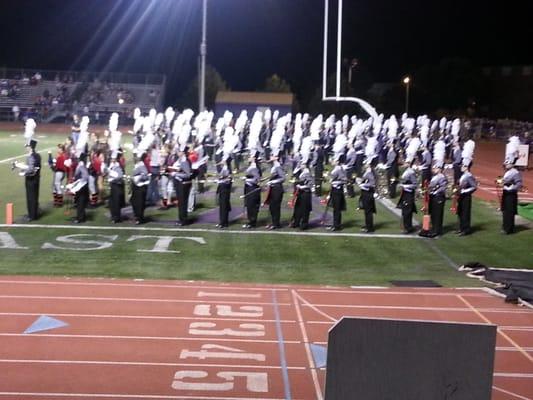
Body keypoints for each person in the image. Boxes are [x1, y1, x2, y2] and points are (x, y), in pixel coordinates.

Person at [500, 157, 523, 234]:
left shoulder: (515, 172)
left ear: (512, 164)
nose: (506, 164)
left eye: (507, 163)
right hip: (506, 193)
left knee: (509, 211)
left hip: (511, 195)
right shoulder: (508, 172)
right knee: (505, 210)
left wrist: (511, 188)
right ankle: (505, 227)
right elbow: (505, 181)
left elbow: (519, 184)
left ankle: (509, 229)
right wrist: (500, 182)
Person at [427, 161, 448, 237]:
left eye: (435, 167)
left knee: (437, 215)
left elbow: (443, 187)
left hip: (438, 197)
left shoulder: (442, 177)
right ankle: (434, 229)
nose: (433, 169)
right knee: (433, 214)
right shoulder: (435, 176)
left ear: (439, 169)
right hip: (433, 197)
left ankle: (437, 231)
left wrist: (434, 192)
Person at [290, 161, 313, 230]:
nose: (300, 165)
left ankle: (304, 224)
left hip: (305, 193)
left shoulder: (307, 172)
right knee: (297, 208)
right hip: (300, 192)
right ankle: (296, 222)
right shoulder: (301, 171)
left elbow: (310, 184)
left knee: (305, 209)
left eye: (302, 164)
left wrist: (302, 187)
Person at [397, 157, 417, 234]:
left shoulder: (411, 172)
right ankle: (407, 226)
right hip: (405, 193)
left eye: (405, 162)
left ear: (409, 164)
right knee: (405, 210)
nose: (404, 163)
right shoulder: (407, 171)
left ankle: (408, 228)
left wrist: (405, 186)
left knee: (407, 211)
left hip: (409, 194)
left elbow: (414, 185)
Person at [456, 161, 477, 236]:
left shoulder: (469, 176)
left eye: (462, 166)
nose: (461, 167)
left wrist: (464, 191)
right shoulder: (464, 175)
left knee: (465, 213)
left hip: (466, 197)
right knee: (460, 212)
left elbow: (474, 187)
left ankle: (466, 229)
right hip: (461, 196)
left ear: (466, 167)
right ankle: (461, 228)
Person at [22, 139, 41, 221]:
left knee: (31, 198)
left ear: (31, 147)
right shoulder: (37, 155)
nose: (26, 148)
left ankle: (32, 216)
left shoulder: (31, 156)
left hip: (31, 180)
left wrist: (23, 171)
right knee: (34, 197)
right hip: (36, 179)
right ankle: (33, 214)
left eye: (28, 146)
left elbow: (31, 169)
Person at [173, 147, 192, 226]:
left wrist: (176, 174)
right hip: (180, 183)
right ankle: (181, 219)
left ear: (183, 152)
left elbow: (188, 175)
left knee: (183, 202)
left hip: (183, 184)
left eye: (179, 151)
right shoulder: (181, 160)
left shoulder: (184, 161)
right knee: (181, 202)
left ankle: (183, 220)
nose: (178, 152)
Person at [265, 154, 285, 230]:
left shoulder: (278, 166)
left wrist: (272, 182)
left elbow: (283, 178)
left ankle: (276, 224)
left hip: (277, 189)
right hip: (273, 189)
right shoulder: (274, 166)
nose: (270, 157)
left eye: (272, 156)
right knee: (272, 207)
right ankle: (273, 223)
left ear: (276, 157)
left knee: (275, 207)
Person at [327, 155, 347, 231]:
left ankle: (337, 225)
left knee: (337, 208)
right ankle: (335, 224)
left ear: (337, 162)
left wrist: (335, 182)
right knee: (335, 208)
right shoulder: (337, 168)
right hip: (335, 190)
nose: (332, 161)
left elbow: (343, 180)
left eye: (333, 160)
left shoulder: (339, 169)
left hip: (337, 191)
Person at [130, 152, 150, 224]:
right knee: (134, 201)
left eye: (136, 156)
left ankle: (139, 218)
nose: (134, 158)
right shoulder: (138, 164)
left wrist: (138, 178)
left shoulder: (141, 165)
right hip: (137, 186)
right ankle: (137, 216)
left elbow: (145, 175)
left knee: (139, 203)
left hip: (140, 187)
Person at [243, 155, 262, 229]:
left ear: (254, 158)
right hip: (249, 187)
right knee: (249, 205)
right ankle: (250, 222)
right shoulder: (252, 166)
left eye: (249, 157)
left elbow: (257, 180)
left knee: (252, 206)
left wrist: (246, 179)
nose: (248, 158)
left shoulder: (254, 168)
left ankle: (252, 223)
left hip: (252, 188)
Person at [358, 159, 377, 233]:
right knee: (366, 211)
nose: (364, 164)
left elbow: (372, 184)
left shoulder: (370, 173)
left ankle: (370, 227)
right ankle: (367, 225)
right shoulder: (368, 172)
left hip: (368, 193)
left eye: (366, 163)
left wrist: (363, 185)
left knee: (368, 211)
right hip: (365, 193)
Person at [107, 152, 125, 223]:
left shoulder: (117, 166)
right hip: (113, 185)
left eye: (113, 159)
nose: (111, 160)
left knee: (116, 202)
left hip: (117, 186)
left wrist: (112, 175)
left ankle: (116, 217)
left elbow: (119, 176)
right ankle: (114, 216)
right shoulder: (113, 165)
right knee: (112, 202)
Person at [72, 153, 89, 223]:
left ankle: (80, 218)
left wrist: (78, 182)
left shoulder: (81, 165)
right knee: (81, 202)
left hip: (81, 187)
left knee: (80, 202)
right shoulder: (82, 165)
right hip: (82, 186)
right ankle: (82, 217)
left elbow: (85, 176)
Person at [216, 159, 233, 229]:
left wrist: (220, 181)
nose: (221, 161)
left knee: (224, 206)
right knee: (222, 206)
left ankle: (224, 222)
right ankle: (222, 221)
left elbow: (228, 180)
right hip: (222, 189)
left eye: (223, 160)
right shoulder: (224, 168)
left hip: (225, 190)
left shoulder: (227, 169)